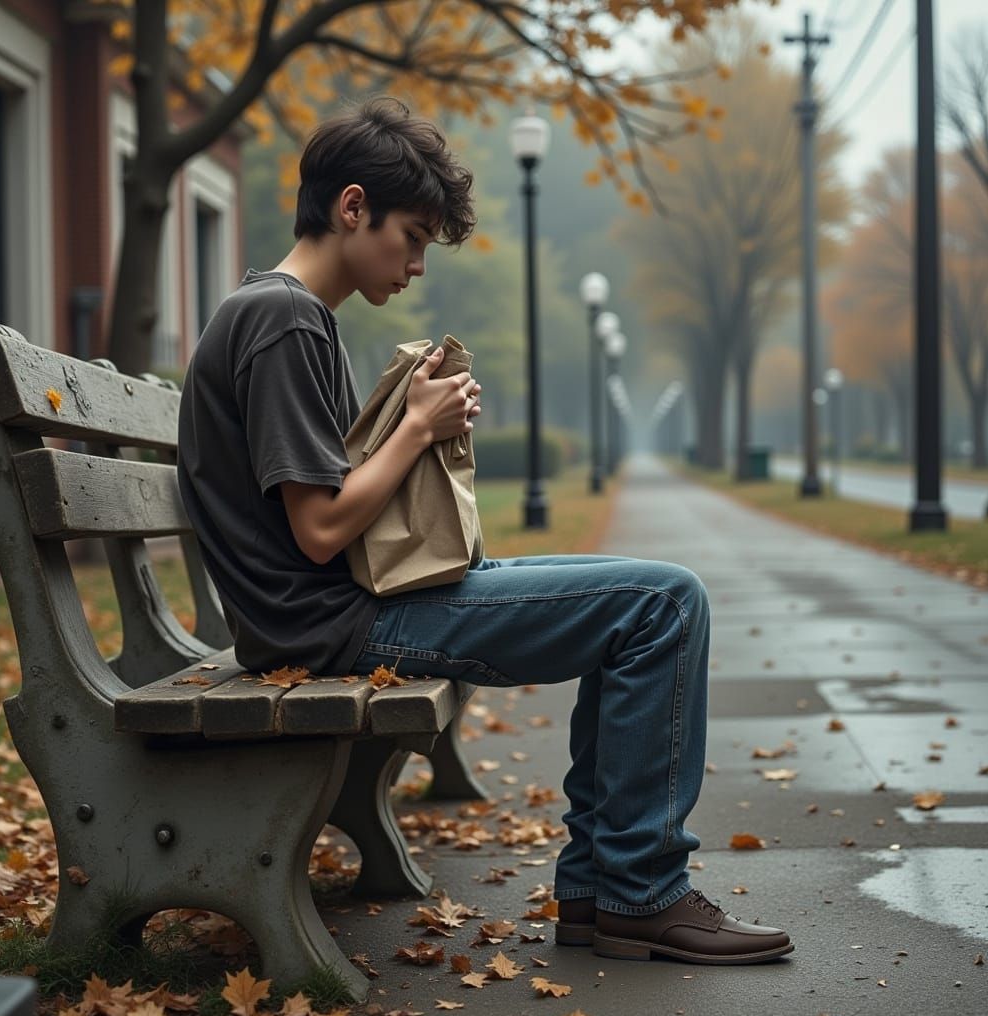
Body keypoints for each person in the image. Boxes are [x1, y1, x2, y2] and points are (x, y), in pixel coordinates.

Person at [177, 97, 793, 966]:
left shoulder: (283, 313)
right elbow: (319, 531)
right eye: (414, 237)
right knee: (664, 603)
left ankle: (604, 891)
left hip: (335, 610)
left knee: (640, 593)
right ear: (352, 207)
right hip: (332, 622)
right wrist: (414, 429)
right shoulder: (281, 320)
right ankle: (634, 891)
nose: (419, 265)